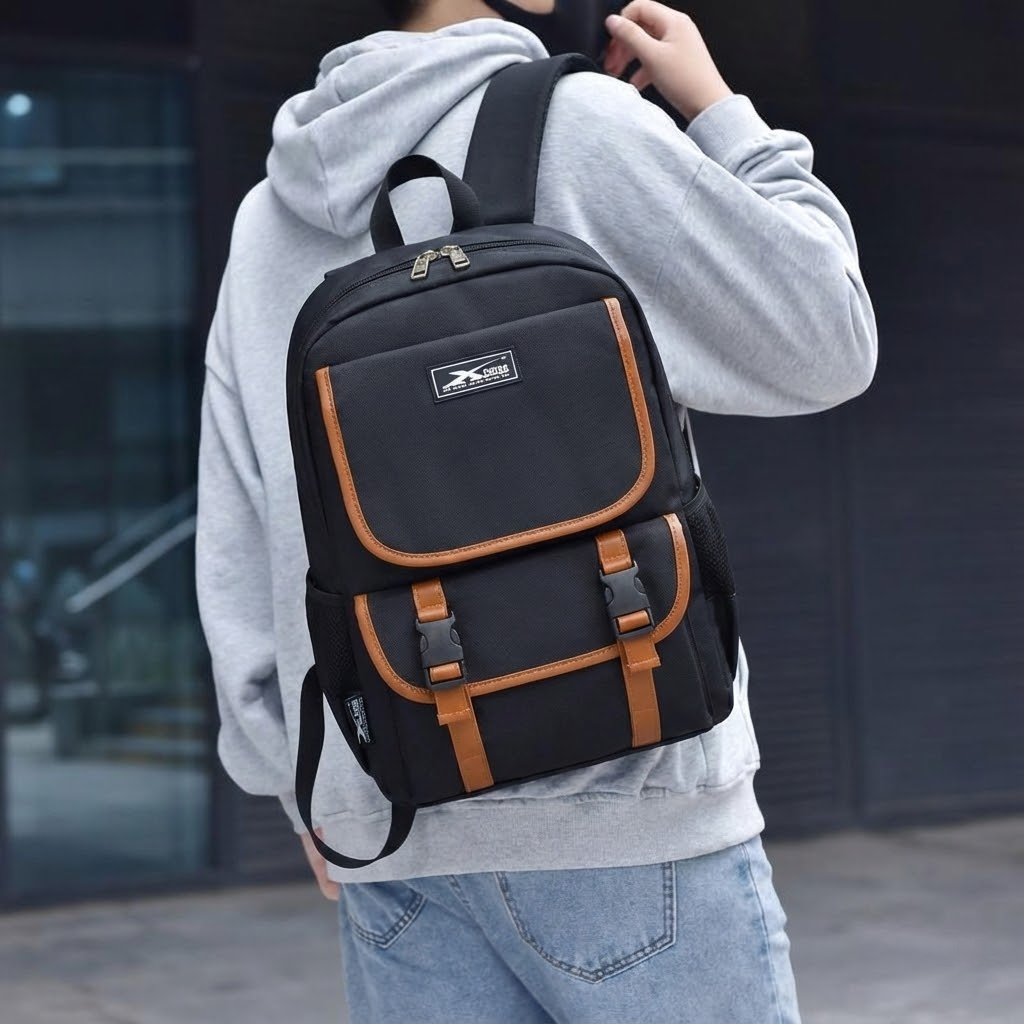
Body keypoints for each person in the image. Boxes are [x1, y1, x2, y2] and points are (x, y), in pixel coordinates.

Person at [196, 2, 877, 1021]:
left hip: (392, 823)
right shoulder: (582, 128)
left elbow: (241, 515)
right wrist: (719, 111)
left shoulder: (269, 212)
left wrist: (305, 786)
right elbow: (828, 337)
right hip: (627, 815)